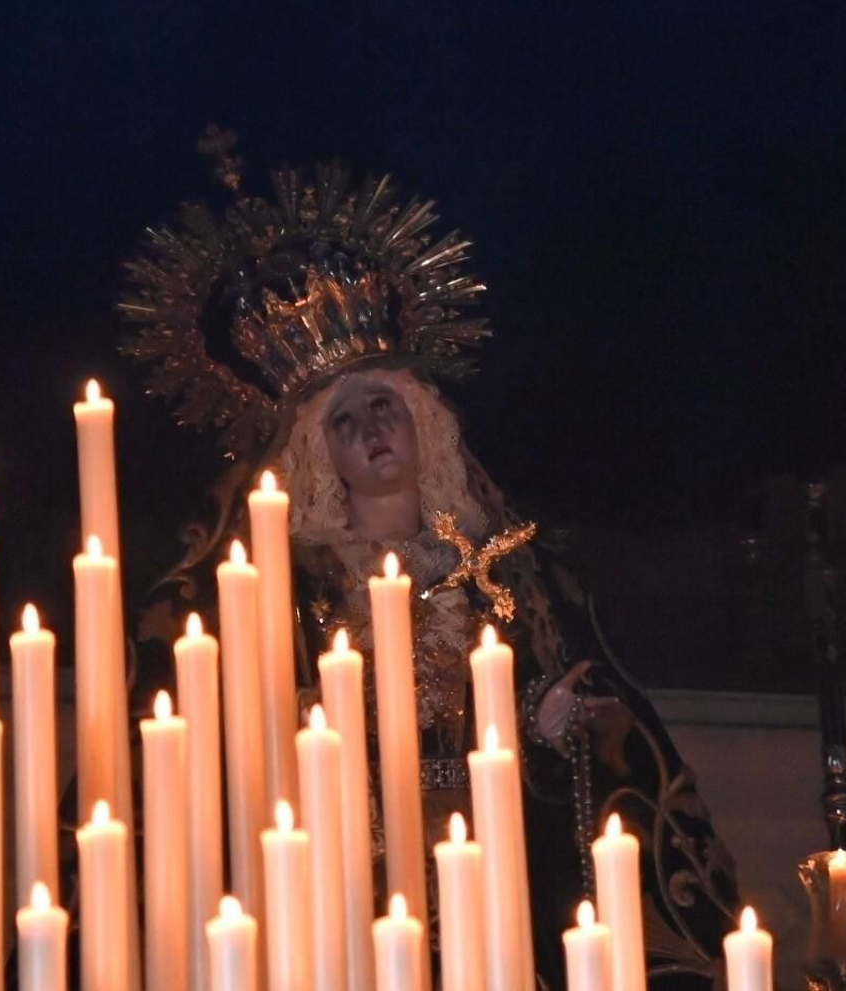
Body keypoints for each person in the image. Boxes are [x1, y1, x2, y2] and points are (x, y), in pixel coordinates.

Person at [122, 139, 739, 988]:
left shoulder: (515, 570)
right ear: (319, 455)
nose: (373, 429)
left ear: (424, 424)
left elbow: (603, 751)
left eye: (386, 406)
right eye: (346, 420)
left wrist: (548, 729)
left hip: (496, 878)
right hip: (346, 890)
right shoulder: (285, 587)